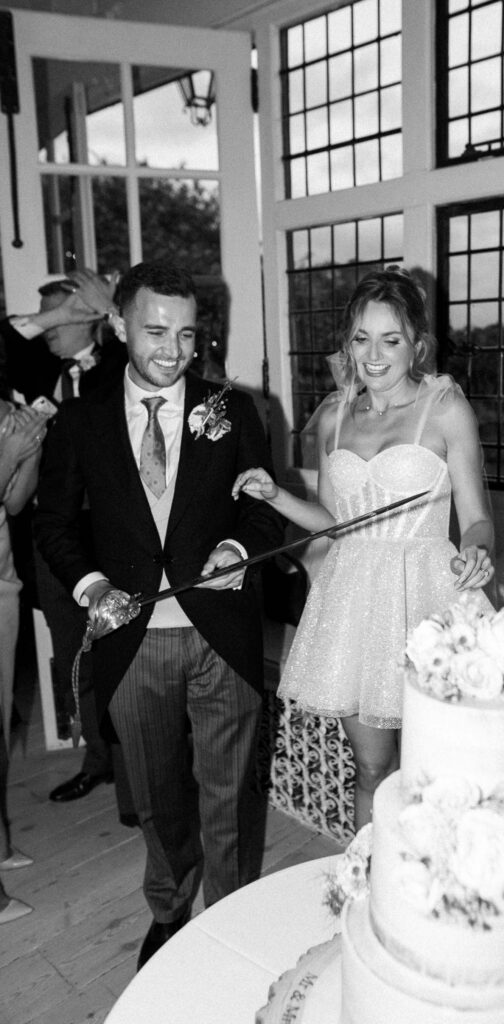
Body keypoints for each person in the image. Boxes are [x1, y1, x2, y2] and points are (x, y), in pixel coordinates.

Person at [34, 260, 284, 969]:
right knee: (156, 795)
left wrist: (238, 545)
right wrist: (89, 587)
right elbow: (54, 524)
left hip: (222, 640)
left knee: (229, 795)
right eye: (154, 331)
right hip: (133, 641)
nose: (172, 350)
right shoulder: (80, 421)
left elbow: (260, 506)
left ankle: (232, 918)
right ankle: (170, 912)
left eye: (185, 333)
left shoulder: (234, 410)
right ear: (117, 325)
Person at [232, 266, 495, 831]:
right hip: (353, 605)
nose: (374, 355)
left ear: (416, 344)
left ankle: (433, 894)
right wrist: (275, 493)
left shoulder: (445, 408)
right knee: (372, 769)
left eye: (391, 339)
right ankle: (369, 883)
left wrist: (477, 549)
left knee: (436, 774)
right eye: (361, 338)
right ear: (347, 343)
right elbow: (331, 526)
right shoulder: (332, 415)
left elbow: (476, 518)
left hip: (429, 601)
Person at [0, 269, 129, 804]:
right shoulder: (36, 371)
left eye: (69, 315)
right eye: (50, 316)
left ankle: (136, 771)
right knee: (73, 655)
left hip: (112, 538)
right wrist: (54, 314)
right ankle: (97, 759)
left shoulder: (120, 370)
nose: (54, 327)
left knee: (121, 653)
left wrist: (112, 310)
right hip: (53, 542)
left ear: (96, 321)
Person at [0, 396, 50, 923]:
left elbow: (13, 503)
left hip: (2, 586)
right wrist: (10, 449)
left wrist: (30, 447)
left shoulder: (6, 409)